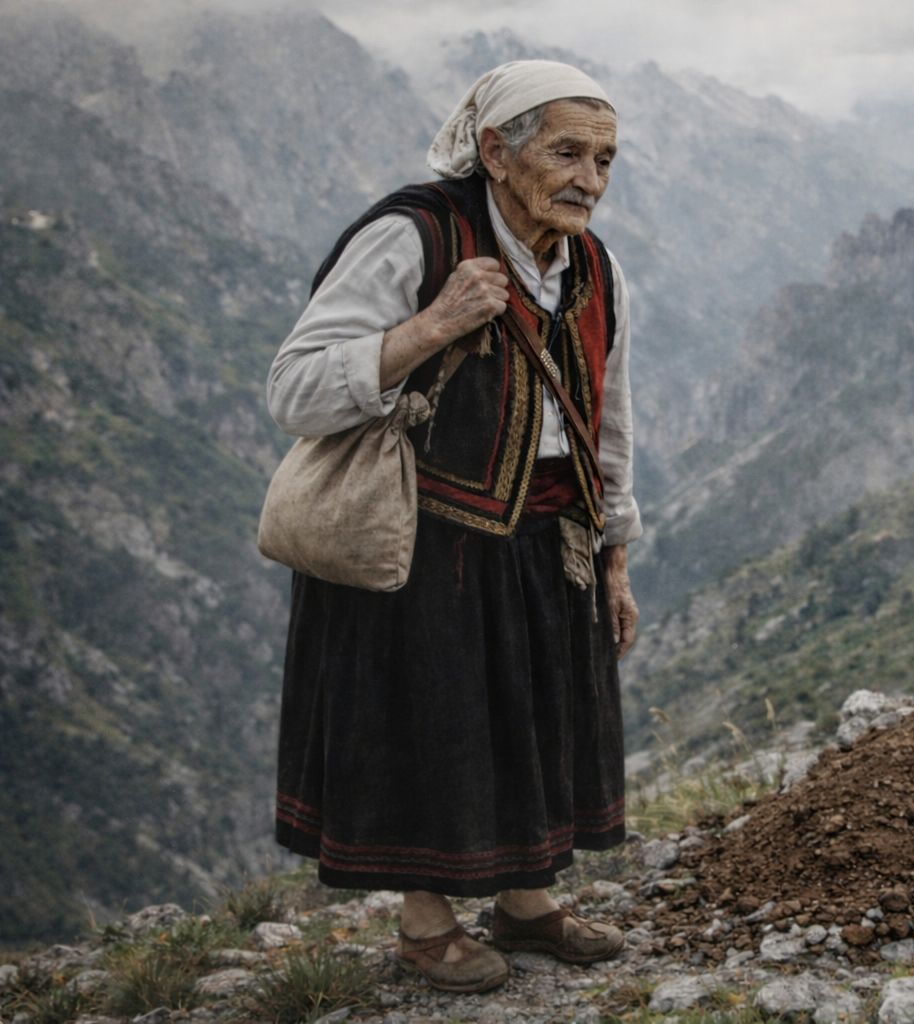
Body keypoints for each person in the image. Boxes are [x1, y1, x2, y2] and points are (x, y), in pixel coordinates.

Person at [265, 60, 640, 993]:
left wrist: (616, 556)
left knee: (535, 722)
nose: (589, 180)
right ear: (495, 152)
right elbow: (294, 391)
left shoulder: (593, 265)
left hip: (548, 537)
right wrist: (431, 325)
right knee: (436, 727)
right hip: (424, 542)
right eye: (567, 153)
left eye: (603, 160)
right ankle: (425, 930)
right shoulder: (414, 237)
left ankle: (525, 903)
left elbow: (609, 417)